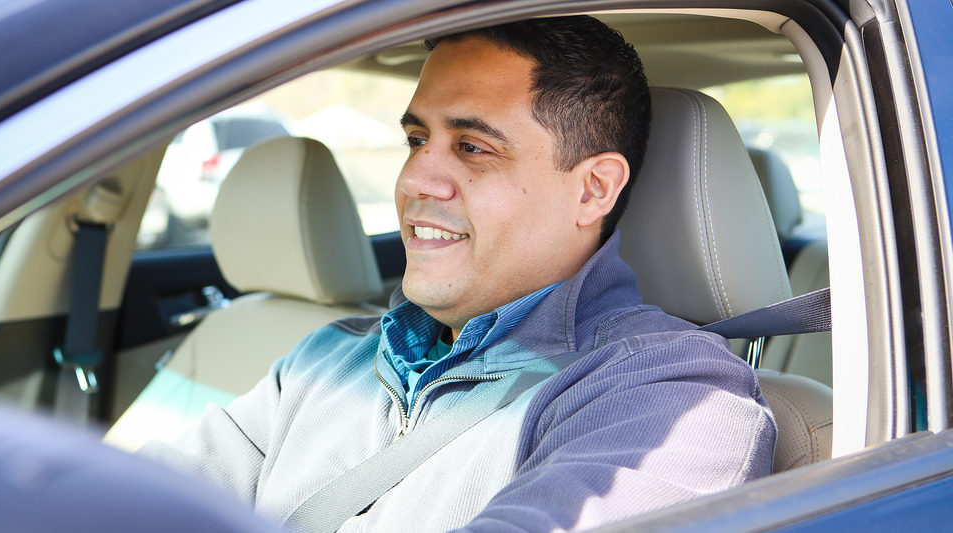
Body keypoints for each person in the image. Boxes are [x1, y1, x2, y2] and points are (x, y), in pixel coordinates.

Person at [141, 15, 776, 532]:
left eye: (473, 147)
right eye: (417, 140)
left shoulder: (673, 398)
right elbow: (139, 505)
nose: (415, 179)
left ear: (593, 191)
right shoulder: (326, 361)